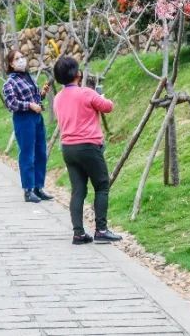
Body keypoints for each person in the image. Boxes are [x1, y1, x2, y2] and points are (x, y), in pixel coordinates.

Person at [51, 56, 122, 245]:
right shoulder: (87, 93)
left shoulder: (58, 98)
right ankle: (101, 229)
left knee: (78, 190)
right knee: (101, 185)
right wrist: (102, 98)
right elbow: (108, 107)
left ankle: (79, 233)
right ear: (77, 73)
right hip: (88, 146)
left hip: (68, 148)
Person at [2, 48, 52, 204]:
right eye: (17, 58)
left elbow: (34, 97)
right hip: (24, 120)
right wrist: (29, 105)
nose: (21, 60)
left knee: (41, 153)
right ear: (11, 63)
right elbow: (11, 103)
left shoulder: (27, 77)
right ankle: (28, 190)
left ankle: (38, 187)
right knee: (27, 154)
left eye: (22, 57)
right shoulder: (10, 82)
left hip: (37, 118)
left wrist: (42, 94)